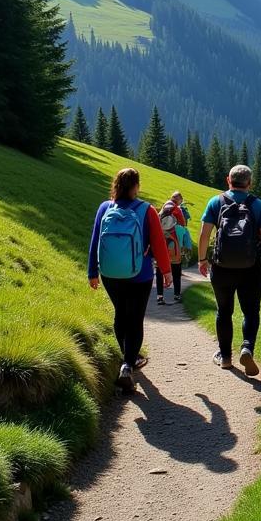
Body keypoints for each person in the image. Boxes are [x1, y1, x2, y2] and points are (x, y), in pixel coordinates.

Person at [88, 167, 173, 392]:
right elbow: (158, 243)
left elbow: (95, 240)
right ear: (136, 186)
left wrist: (92, 272)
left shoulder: (105, 208)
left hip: (109, 273)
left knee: (121, 314)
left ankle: (128, 357)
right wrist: (166, 271)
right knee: (135, 319)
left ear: (116, 184)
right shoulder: (147, 210)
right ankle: (128, 364)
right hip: (140, 274)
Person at [198, 163, 261, 375]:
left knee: (224, 311)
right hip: (250, 268)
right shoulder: (257, 205)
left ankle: (225, 358)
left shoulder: (216, 202)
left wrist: (202, 259)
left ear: (228, 180)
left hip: (221, 267)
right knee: (251, 311)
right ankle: (247, 347)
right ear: (249, 183)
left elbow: (205, 234)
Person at [155, 194, 188, 305]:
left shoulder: (164, 207)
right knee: (176, 270)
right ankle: (177, 295)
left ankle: (160, 296)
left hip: (162, 243)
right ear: (178, 200)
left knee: (160, 269)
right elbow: (183, 224)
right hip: (174, 244)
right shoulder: (177, 209)